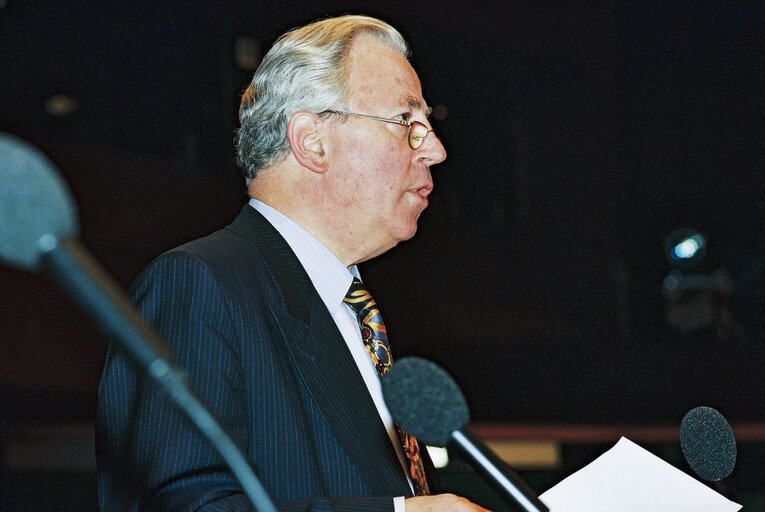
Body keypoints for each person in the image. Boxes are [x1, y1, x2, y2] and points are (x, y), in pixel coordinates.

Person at [97, 15, 491, 512]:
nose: (435, 149)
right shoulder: (198, 285)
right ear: (312, 141)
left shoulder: (357, 313)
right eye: (407, 123)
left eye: (429, 126)